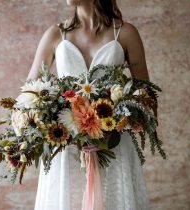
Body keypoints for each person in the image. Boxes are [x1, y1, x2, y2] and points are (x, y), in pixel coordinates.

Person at [30, 0, 150, 209]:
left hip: (114, 146)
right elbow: (30, 94)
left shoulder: (125, 33)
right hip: (66, 148)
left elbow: (146, 96)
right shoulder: (55, 34)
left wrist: (116, 118)